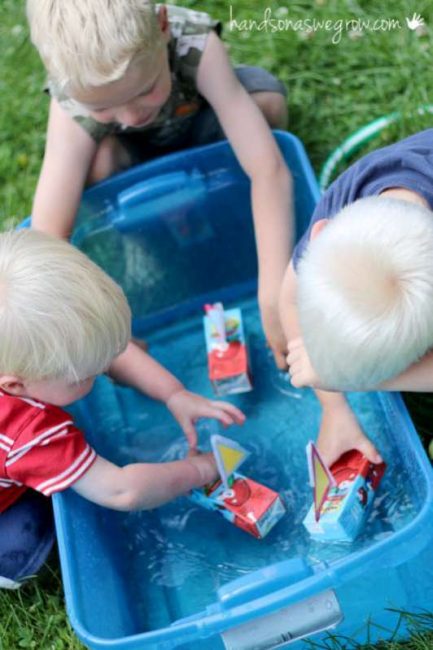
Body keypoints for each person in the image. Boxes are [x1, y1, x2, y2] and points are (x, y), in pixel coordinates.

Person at [26, 0, 293, 369]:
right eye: (103, 108)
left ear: (162, 25)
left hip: (199, 128)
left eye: (145, 89)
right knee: (93, 165)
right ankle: (142, 229)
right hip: (133, 159)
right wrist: (101, 328)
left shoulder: (193, 43)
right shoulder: (71, 97)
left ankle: (228, 190)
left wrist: (273, 291)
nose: (131, 116)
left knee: (266, 103)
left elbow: (269, 170)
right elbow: (48, 239)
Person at [0, 229, 245, 588]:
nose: (103, 371)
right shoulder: (29, 433)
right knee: (25, 540)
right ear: (15, 386)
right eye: (86, 375)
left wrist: (174, 394)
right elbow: (120, 490)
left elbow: (109, 352)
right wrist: (199, 469)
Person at [280, 129, 433, 466]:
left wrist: (360, 380)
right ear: (320, 234)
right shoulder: (343, 205)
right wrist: (333, 408)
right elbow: (289, 298)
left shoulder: (337, 232)